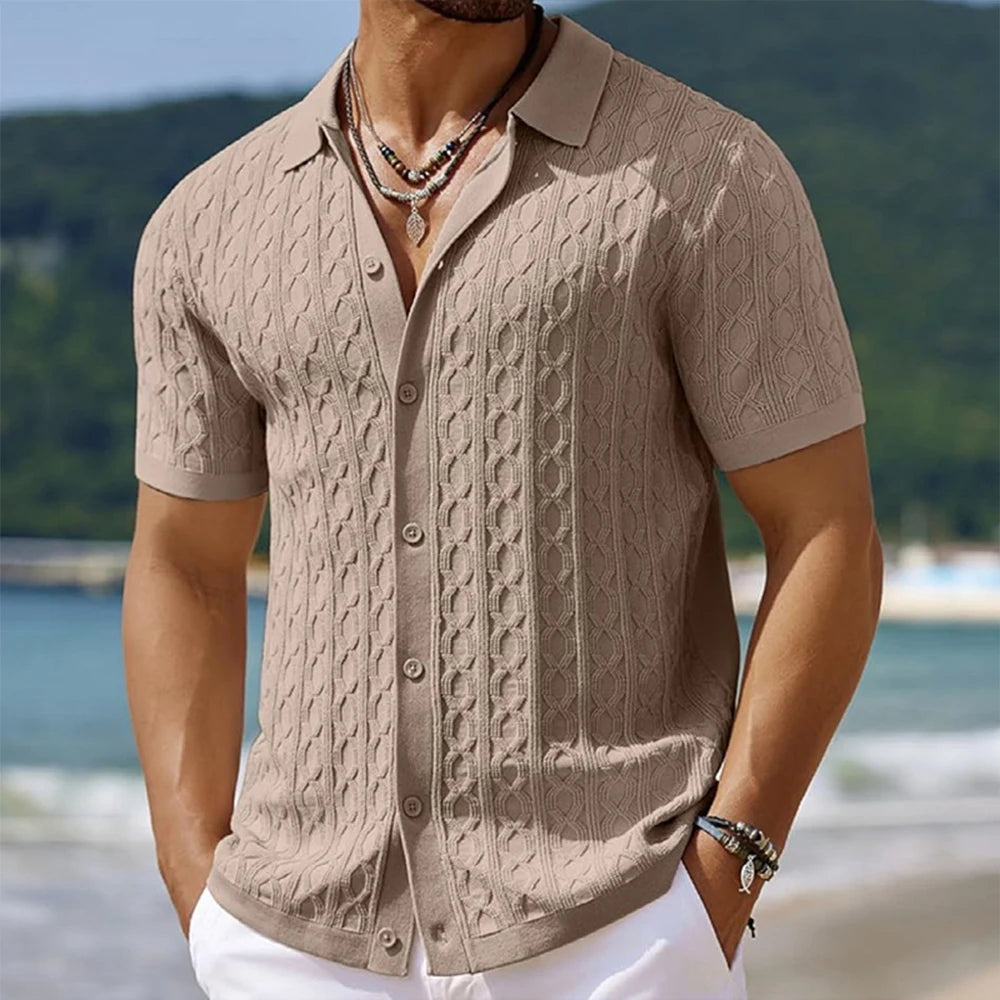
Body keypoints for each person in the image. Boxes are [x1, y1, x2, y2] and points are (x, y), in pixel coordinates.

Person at [122, 1, 883, 998]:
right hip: (287, 948)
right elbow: (184, 561)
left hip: (619, 935)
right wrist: (198, 890)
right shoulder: (209, 222)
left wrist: (723, 875)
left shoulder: (711, 175)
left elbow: (826, 529)